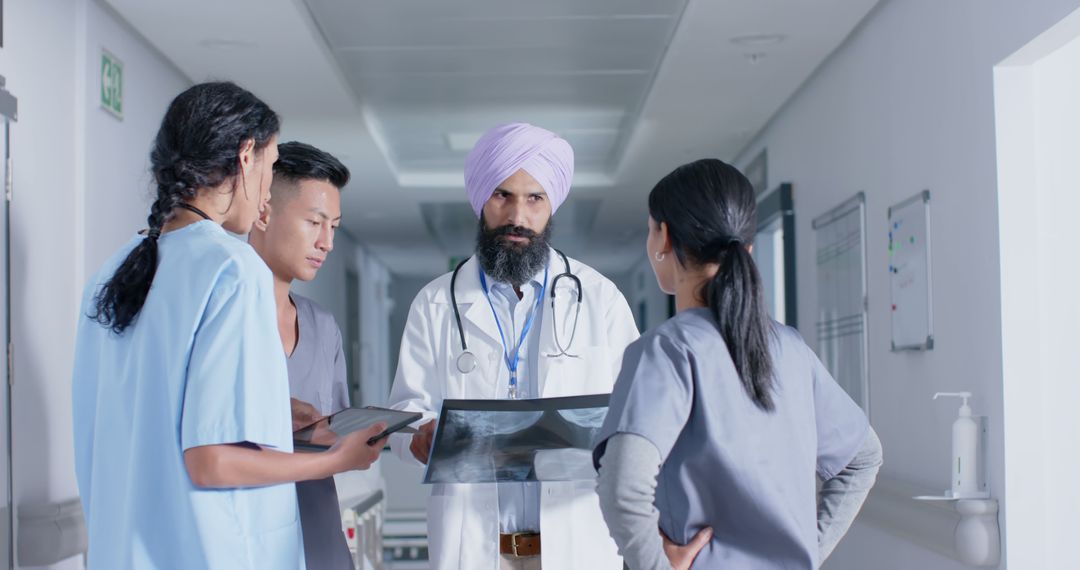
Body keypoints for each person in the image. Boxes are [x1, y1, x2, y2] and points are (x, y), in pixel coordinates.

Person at [71, 82, 385, 569]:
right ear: (246, 157)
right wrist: (337, 461)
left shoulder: (113, 274)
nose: (264, 195)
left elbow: (152, 417)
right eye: (269, 164)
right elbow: (210, 461)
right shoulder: (232, 269)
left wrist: (268, 413)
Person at [593, 158, 883, 570]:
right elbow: (863, 458)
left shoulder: (667, 350)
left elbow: (622, 488)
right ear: (746, 247)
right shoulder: (792, 350)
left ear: (663, 238)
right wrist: (806, 552)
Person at [386, 123, 640, 570]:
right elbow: (406, 416)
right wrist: (422, 438)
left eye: (534, 198)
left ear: (551, 205)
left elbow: (636, 413)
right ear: (481, 200)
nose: (517, 216)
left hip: (576, 541)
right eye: (502, 195)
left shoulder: (600, 300)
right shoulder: (434, 303)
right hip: (476, 542)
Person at [248, 141, 356, 569]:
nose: (326, 242)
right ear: (263, 212)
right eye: (314, 222)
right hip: (249, 540)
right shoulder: (219, 319)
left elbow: (337, 433)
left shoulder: (322, 326)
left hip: (319, 538)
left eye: (335, 227)